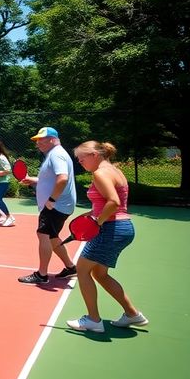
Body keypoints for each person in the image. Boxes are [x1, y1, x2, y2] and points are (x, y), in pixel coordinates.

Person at [66, 141, 148, 333]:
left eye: (82, 158)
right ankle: (132, 314)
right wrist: (90, 215)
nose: (80, 162)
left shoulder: (100, 173)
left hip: (111, 228)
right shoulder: (115, 171)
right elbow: (110, 204)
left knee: (82, 270)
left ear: (94, 154)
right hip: (123, 227)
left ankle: (93, 321)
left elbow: (113, 202)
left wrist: (97, 222)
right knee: (99, 274)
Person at [17, 127, 78, 284]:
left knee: (43, 235)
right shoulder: (55, 154)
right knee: (52, 237)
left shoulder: (56, 154)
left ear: (52, 139)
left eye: (41, 140)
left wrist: (51, 200)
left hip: (55, 206)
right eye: (37, 141)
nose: (38, 144)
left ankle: (41, 275)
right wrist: (34, 180)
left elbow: (62, 178)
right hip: (60, 205)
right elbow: (52, 179)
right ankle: (71, 267)